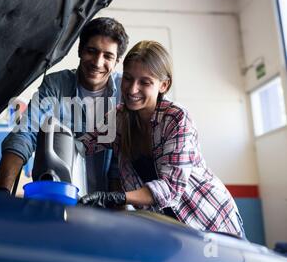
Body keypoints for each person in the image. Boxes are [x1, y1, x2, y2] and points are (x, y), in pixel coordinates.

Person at [78, 40, 245, 238]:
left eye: (145, 82)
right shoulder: (118, 120)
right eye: (128, 79)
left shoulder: (176, 118)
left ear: (163, 85)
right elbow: (83, 144)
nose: (132, 90)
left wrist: (116, 198)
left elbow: (171, 188)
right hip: (172, 234)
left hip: (210, 222)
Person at [0, 17, 129, 194]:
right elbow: (24, 134)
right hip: (56, 199)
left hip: (108, 204)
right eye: (91, 51)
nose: (97, 62)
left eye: (108, 56)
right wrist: (1, 192)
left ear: (117, 61)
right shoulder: (56, 85)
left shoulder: (125, 91)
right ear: (80, 50)